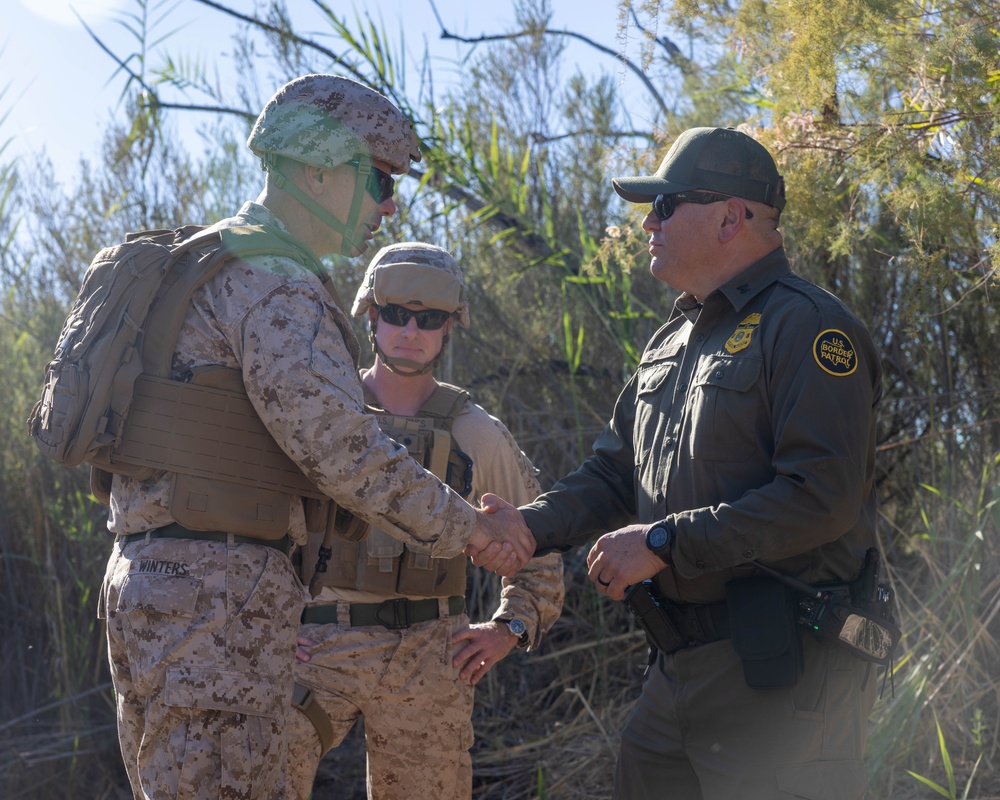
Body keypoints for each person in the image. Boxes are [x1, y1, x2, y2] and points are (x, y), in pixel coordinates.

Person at [97, 74, 534, 800]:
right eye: (381, 179)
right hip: (218, 602)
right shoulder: (275, 279)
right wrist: (471, 530)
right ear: (324, 171)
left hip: (155, 586)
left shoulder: (196, 262)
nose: (389, 206)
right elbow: (343, 451)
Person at [477, 126, 883, 799]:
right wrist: (524, 527)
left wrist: (665, 541)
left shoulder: (809, 326)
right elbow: (613, 474)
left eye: (666, 206)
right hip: (676, 670)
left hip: (782, 671)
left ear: (730, 216)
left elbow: (820, 497)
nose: (648, 223)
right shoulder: (671, 341)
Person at [283, 242, 565, 800]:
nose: (410, 330)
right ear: (371, 315)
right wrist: (268, 624)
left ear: (448, 328)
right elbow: (254, 529)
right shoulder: (320, 412)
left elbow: (539, 539)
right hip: (317, 647)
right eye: (396, 314)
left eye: (429, 318)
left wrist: (510, 627)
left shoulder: (475, 431)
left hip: (432, 653)